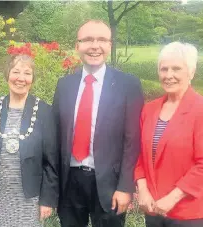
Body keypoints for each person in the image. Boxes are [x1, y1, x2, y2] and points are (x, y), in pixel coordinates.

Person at [52, 19, 144, 227]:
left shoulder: (128, 85)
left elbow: (133, 141)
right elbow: (56, 136)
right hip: (70, 183)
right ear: (77, 46)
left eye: (102, 39)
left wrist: (125, 187)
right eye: (88, 40)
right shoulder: (64, 85)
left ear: (110, 45)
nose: (95, 46)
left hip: (110, 185)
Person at [134, 42, 203, 227]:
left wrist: (172, 199)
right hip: (154, 208)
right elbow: (139, 155)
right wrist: (143, 190)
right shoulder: (149, 110)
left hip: (189, 213)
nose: (168, 75)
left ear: (191, 72)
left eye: (176, 69)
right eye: (163, 69)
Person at [0, 53, 59, 226]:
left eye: (27, 73)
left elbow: (51, 161)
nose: (21, 78)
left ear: (33, 79)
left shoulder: (44, 112)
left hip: (30, 199)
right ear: (7, 75)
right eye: (16, 72)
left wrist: (47, 199)